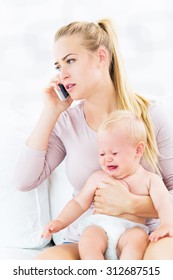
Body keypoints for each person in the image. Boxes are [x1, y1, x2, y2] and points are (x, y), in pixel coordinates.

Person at [14, 18, 173, 260]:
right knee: (45, 264)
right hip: (89, 237)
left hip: (146, 234)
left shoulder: (151, 114)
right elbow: (25, 180)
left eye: (70, 60)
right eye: (58, 66)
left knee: (162, 260)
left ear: (101, 57)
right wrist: (51, 111)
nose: (62, 73)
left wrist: (132, 204)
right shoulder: (66, 122)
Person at [41, 110, 173, 260]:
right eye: (102, 154)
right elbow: (78, 203)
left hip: (131, 230)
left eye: (115, 153)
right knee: (88, 238)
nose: (107, 159)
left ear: (138, 150)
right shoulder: (98, 178)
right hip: (99, 227)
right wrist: (60, 221)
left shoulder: (150, 180)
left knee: (138, 238)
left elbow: (164, 203)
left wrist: (167, 225)